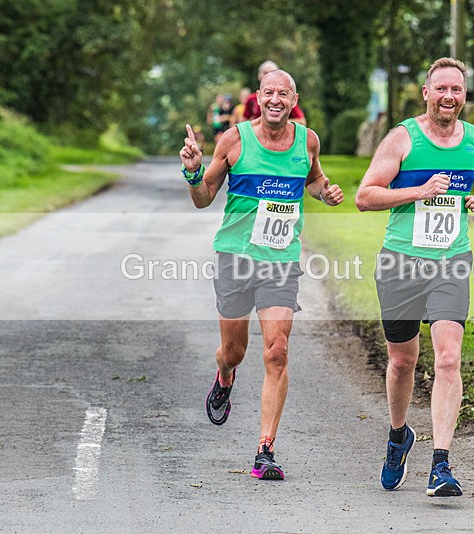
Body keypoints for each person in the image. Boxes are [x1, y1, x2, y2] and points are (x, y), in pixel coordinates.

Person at [179, 69, 344, 480]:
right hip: (236, 257)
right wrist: (194, 172)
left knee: (277, 350)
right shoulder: (235, 139)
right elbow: (203, 200)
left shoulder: (307, 140)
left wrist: (325, 190)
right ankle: (225, 373)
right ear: (259, 97)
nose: (275, 99)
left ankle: (265, 449)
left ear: (293, 99)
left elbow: (313, 178)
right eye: (269, 92)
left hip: (280, 262)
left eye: (283, 94)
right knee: (235, 350)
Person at [355, 57, 474, 497]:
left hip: (451, 261)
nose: (449, 97)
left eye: (456, 90)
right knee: (402, 360)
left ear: (464, 94)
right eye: (441, 89)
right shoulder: (403, 138)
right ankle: (399, 435)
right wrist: (418, 191)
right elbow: (365, 196)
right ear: (426, 92)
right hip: (401, 262)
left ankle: (441, 465)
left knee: (448, 358)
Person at [243, 61, 307, 126]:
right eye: (265, 73)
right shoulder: (251, 99)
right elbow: (243, 121)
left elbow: (302, 121)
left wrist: (279, 123)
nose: (274, 101)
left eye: (272, 72)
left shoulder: (286, 101)